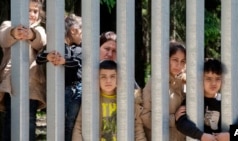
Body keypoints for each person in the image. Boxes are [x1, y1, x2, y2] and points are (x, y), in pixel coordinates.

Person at [71, 31, 147, 141]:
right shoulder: (83, 72)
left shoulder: (126, 81)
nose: (110, 54)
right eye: (106, 49)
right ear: (97, 48)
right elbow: (79, 124)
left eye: (114, 51)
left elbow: (136, 122)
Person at [0, 0, 47, 140]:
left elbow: (42, 41)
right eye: (28, 10)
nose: (32, 14)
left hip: (31, 84)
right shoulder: (8, 24)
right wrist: (14, 33)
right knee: (11, 119)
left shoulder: (38, 28)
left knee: (30, 120)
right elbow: (3, 37)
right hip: (11, 83)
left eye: (35, 11)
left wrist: (31, 35)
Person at [175, 58, 238, 141]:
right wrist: (201, 136)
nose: (213, 83)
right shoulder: (192, 100)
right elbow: (181, 124)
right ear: (200, 79)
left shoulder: (227, 102)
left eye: (217, 78)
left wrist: (230, 135)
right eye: (208, 78)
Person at [36, 13, 82, 141]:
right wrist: (48, 57)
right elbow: (39, 58)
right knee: (59, 122)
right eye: (82, 31)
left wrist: (65, 61)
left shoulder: (79, 49)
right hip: (61, 90)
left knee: (71, 123)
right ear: (73, 31)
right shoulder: (56, 47)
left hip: (77, 91)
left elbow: (79, 64)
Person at [140, 41, 187, 141]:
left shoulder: (185, 83)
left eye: (183, 61)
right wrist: (173, 119)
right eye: (175, 60)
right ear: (166, 59)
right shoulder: (155, 82)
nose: (179, 65)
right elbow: (145, 117)